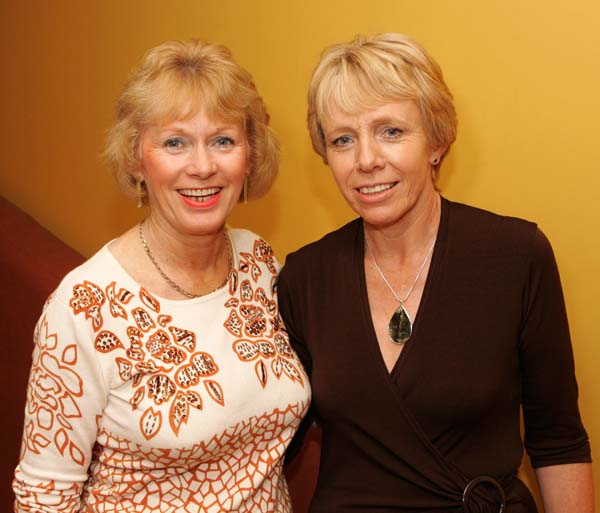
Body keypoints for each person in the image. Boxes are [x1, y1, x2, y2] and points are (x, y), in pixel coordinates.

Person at [277, 33, 593, 512]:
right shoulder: (304, 277)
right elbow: (272, 436)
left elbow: (558, 440)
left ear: (437, 142)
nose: (366, 160)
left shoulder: (515, 256)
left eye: (391, 132)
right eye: (343, 139)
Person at [13, 39, 310, 513]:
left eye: (223, 140)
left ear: (249, 155)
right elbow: (44, 496)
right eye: (175, 142)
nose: (202, 166)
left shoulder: (258, 262)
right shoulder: (83, 307)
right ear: (136, 158)